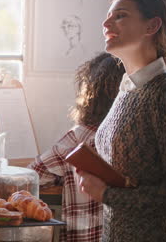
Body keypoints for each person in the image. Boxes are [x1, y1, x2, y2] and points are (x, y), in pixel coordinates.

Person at [77, 0, 166, 241]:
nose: (106, 23)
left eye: (120, 15)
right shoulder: (127, 89)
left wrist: (106, 195)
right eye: (108, 15)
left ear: (151, 26)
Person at [29, 52, 125, 242]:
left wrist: (62, 178)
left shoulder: (76, 139)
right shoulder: (138, 137)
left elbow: (34, 176)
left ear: (88, 94)